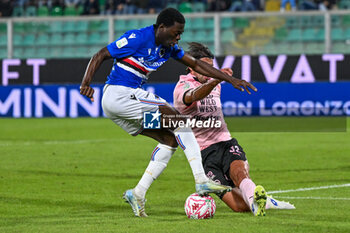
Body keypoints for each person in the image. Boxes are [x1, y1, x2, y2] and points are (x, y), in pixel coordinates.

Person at [80, 8, 256, 217]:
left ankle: (137, 193)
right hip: (120, 95)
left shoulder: (169, 48)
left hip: (123, 107)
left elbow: (196, 64)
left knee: (169, 139)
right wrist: (86, 83)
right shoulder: (137, 38)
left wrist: (231, 79)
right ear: (162, 27)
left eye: (181, 33)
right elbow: (100, 54)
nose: (178, 37)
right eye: (176, 32)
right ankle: (201, 181)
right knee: (180, 121)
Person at [173, 42, 295, 216]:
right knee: (239, 206)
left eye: (212, 68)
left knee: (239, 173)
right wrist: (216, 79)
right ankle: (267, 202)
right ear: (191, 68)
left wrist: (217, 80)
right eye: (205, 68)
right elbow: (195, 95)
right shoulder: (182, 87)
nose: (209, 73)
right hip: (204, 155)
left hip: (225, 143)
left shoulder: (215, 84)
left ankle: (256, 203)